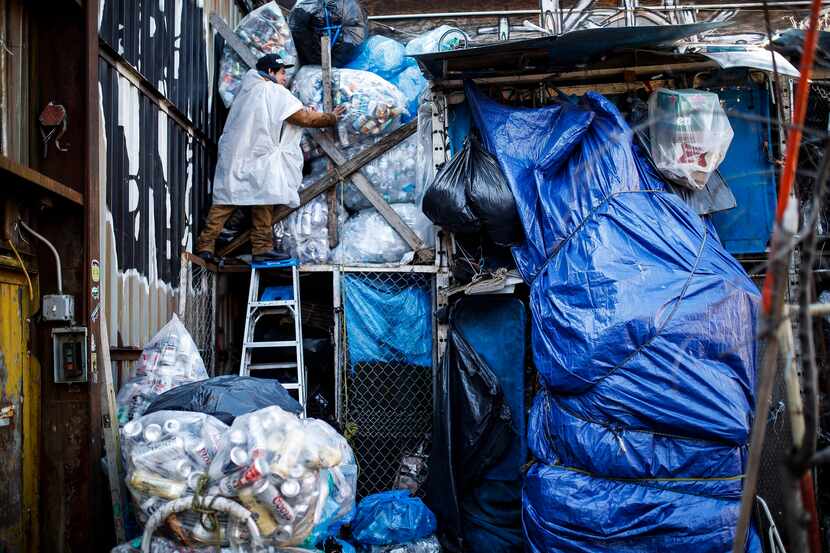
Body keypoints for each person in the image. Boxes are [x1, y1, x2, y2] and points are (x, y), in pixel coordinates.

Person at [196, 54, 346, 263]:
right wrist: (330, 118)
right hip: (259, 157)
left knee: (226, 201)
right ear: (270, 73)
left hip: (236, 156)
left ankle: (205, 246)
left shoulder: (245, 92)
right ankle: (261, 248)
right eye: (282, 72)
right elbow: (301, 117)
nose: (285, 77)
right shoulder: (272, 91)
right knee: (263, 200)